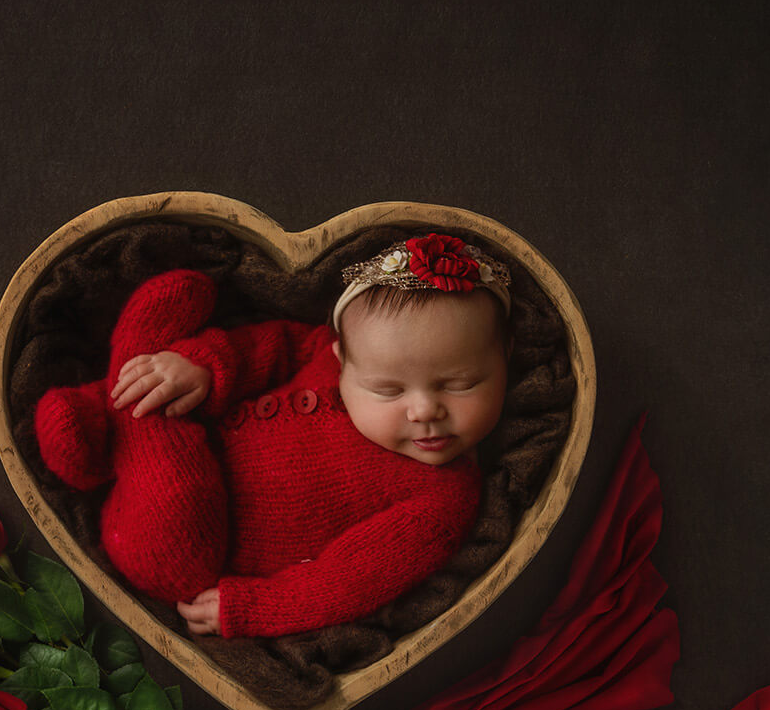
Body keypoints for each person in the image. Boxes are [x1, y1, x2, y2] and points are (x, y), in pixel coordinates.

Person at [34, 233, 512, 638]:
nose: (425, 410)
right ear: (343, 359)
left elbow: (348, 580)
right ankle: (118, 412)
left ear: (503, 360)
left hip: (193, 541)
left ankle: (127, 386)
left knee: (163, 466)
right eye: (386, 389)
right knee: (162, 390)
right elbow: (267, 347)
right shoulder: (320, 354)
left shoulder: (441, 501)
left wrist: (254, 607)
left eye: (460, 384)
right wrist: (203, 366)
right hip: (196, 425)